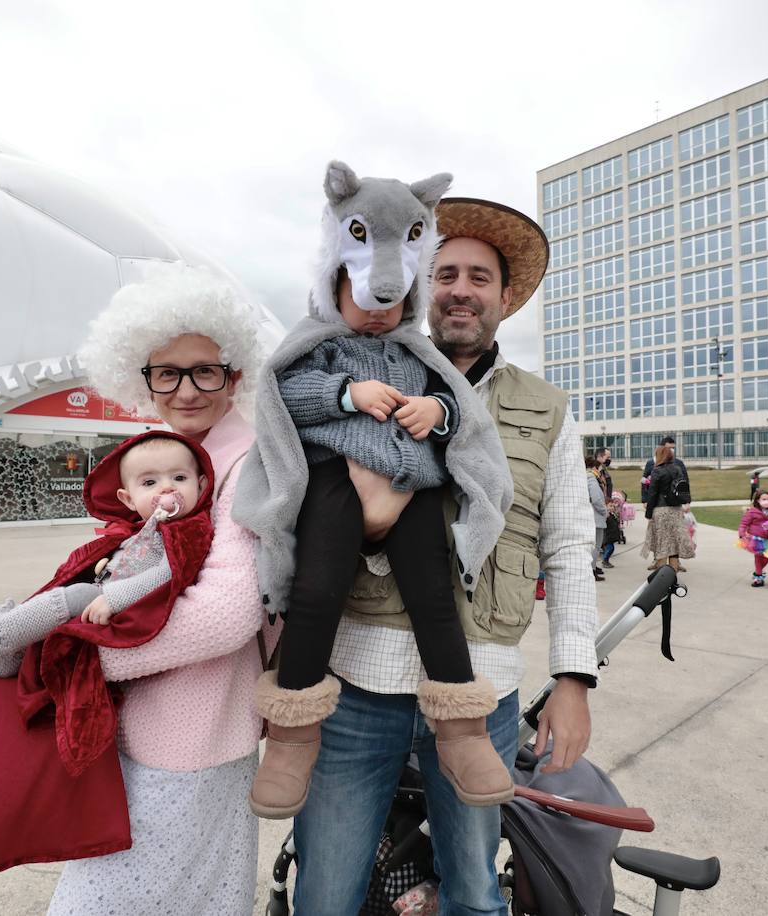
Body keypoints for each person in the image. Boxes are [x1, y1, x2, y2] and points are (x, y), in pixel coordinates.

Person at [283, 197, 599, 916]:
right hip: (358, 681)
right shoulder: (362, 378)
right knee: (324, 897)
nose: (460, 289)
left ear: (506, 296)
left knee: (475, 896)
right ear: (422, 287)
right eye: (445, 273)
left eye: (479, 277)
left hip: (482, 696)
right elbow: (300, 498)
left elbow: (570, 545)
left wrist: (574, 676)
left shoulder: (549, 409)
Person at [0, 264, 271, 915]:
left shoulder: (249, 462)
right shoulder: (173, 454)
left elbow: (227, 613)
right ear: (141, 378)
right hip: (146, 725)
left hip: (191, 730)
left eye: (205, 370)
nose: (186, 389)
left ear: (235, 374)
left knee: (108, 901)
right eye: (165, 372)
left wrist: (77, 656)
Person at [238, 163, 514, 820]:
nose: (374, 311)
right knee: (316, 590)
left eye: (389, 302)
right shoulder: (318, 345)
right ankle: (293, 734)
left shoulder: (417, 352)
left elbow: (457, 408)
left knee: (433, 592)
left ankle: (461, 727)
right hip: (335, 476)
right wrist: (346, 393)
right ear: (335, 284)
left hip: (412, 484)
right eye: (361, 297)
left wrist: (436, 415)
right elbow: (283, 398)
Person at [0, 435, 208, 677]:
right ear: (129, 500)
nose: (166, 488)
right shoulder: (146, 528)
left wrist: (113, 599)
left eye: (179, 477)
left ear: (200, 485)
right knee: (64, 588)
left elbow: (169, 572)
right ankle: (12, 651)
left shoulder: (186, 532)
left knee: (76, 595)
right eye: (149, 483)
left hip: (126, 603)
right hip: (108, 588)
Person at [644, 444, 694, 572]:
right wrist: (686, 502)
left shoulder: (657, 470)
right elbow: (683, 487)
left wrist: (649, 515)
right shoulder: (677, 469)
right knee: (674, 544)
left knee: (663, 544)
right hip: (676, 510)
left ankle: (662, 577)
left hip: (661, 510)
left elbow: (652, 493)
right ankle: (673, 576)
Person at [737, 489, 768, 587]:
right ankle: (758, 576)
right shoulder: (752, 511)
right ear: (758, 500)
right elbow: (743, 523)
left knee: (767, 557)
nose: (767, 501)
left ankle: (758, 573)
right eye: (764, 499)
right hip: (757, 539)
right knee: (758, 557)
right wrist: (741, 533)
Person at [640, 435, 684, 503]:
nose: (671, 450)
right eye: (669, 448)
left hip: (674, 500)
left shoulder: (678, 463)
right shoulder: (651, 463)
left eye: (673, 448)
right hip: (657, 500)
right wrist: (645, 500)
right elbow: (644, 482)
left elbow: (684, 482)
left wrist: (686, 501)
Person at [586, 455, 609, 581]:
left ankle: (593, 568)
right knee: (596, 546)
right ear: (595, 467)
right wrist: (604, 511)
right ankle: (592, 570)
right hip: (595, 517)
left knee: (594, 546)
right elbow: (597, 499)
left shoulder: (587, 477)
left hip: (591, 517)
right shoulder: (592, 479)